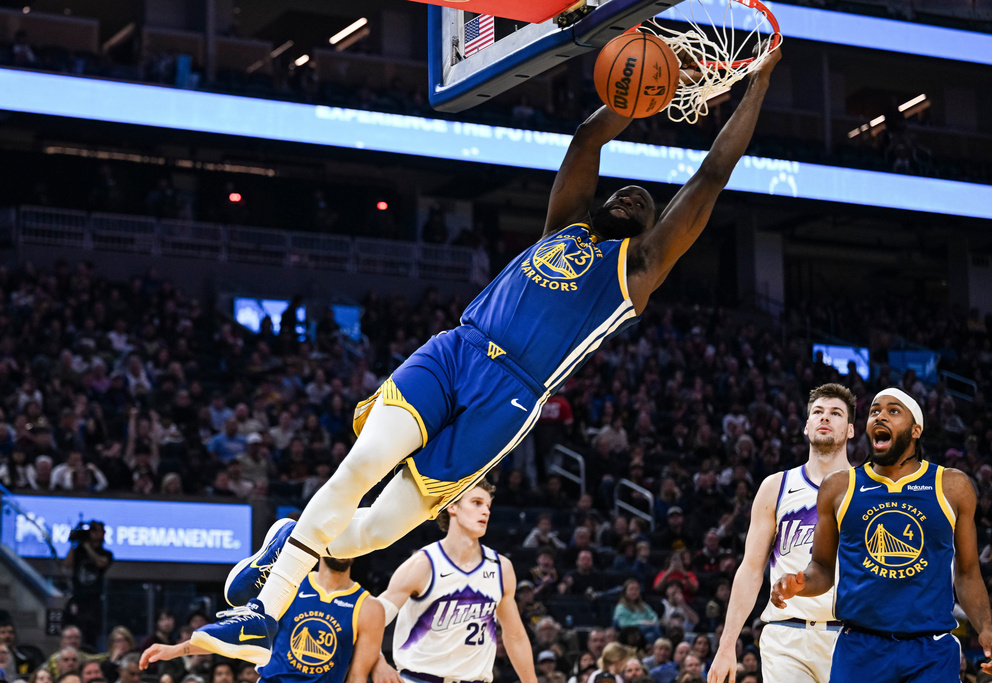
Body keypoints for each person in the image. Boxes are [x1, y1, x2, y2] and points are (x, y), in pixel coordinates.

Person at [196, 44, 782, 659]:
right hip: (457, 350)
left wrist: (756, 85)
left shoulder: (637, 271)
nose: (631, 196)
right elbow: (588, 137)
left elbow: (712, 174)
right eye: (624, 192)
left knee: (374, 532)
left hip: (509, 399)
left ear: (651, 231)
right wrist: (645, 94)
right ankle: (267, 610)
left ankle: (290, 540)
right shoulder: (565, 225)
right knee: (359, 467)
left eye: (644, 203)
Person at [771, 388, 992, 682]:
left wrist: (985, 628)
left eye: (893, 411)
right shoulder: (839, 487)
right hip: (860, 647)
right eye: (874, 411)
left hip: (931, 650)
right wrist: (799, 584)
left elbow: (968, 573)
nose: (880, 416)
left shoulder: (952, 486)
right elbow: (821, 568)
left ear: (916, 430)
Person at [708, 384, 856, 683]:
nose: (825, 417)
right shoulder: (776, 486)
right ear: (806, 426)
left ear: (850, 430)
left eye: (835, 413)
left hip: (851, 636)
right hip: (787, 636)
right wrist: (727, 644)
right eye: (818, 412)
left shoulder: (869, 490)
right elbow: (751, 569)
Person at [366, 482, 538, 683]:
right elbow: (370, 619)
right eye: (477, 503)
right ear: (452, 506)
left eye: (488, 506)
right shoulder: (423, 564)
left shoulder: (501, 568)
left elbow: (515, 636)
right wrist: (377, 662)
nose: (485, 511)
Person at [142, 554, 383, 682]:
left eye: (351, 538)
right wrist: (177, 650)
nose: (344, 544)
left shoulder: (369, 607)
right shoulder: (291, 585)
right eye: (340, 535)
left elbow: (357, 677)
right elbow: (237, 635)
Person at [63, 521, 113, 648]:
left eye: (97, 531)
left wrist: (87, 547)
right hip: (78, 596)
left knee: (91, 633)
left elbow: (101, 563)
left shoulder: (105, 553)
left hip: (94, 599)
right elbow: (67, 565)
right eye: (92, 531)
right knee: (74, 628)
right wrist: (73, 543)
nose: (94, 534)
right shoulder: (78, 551)